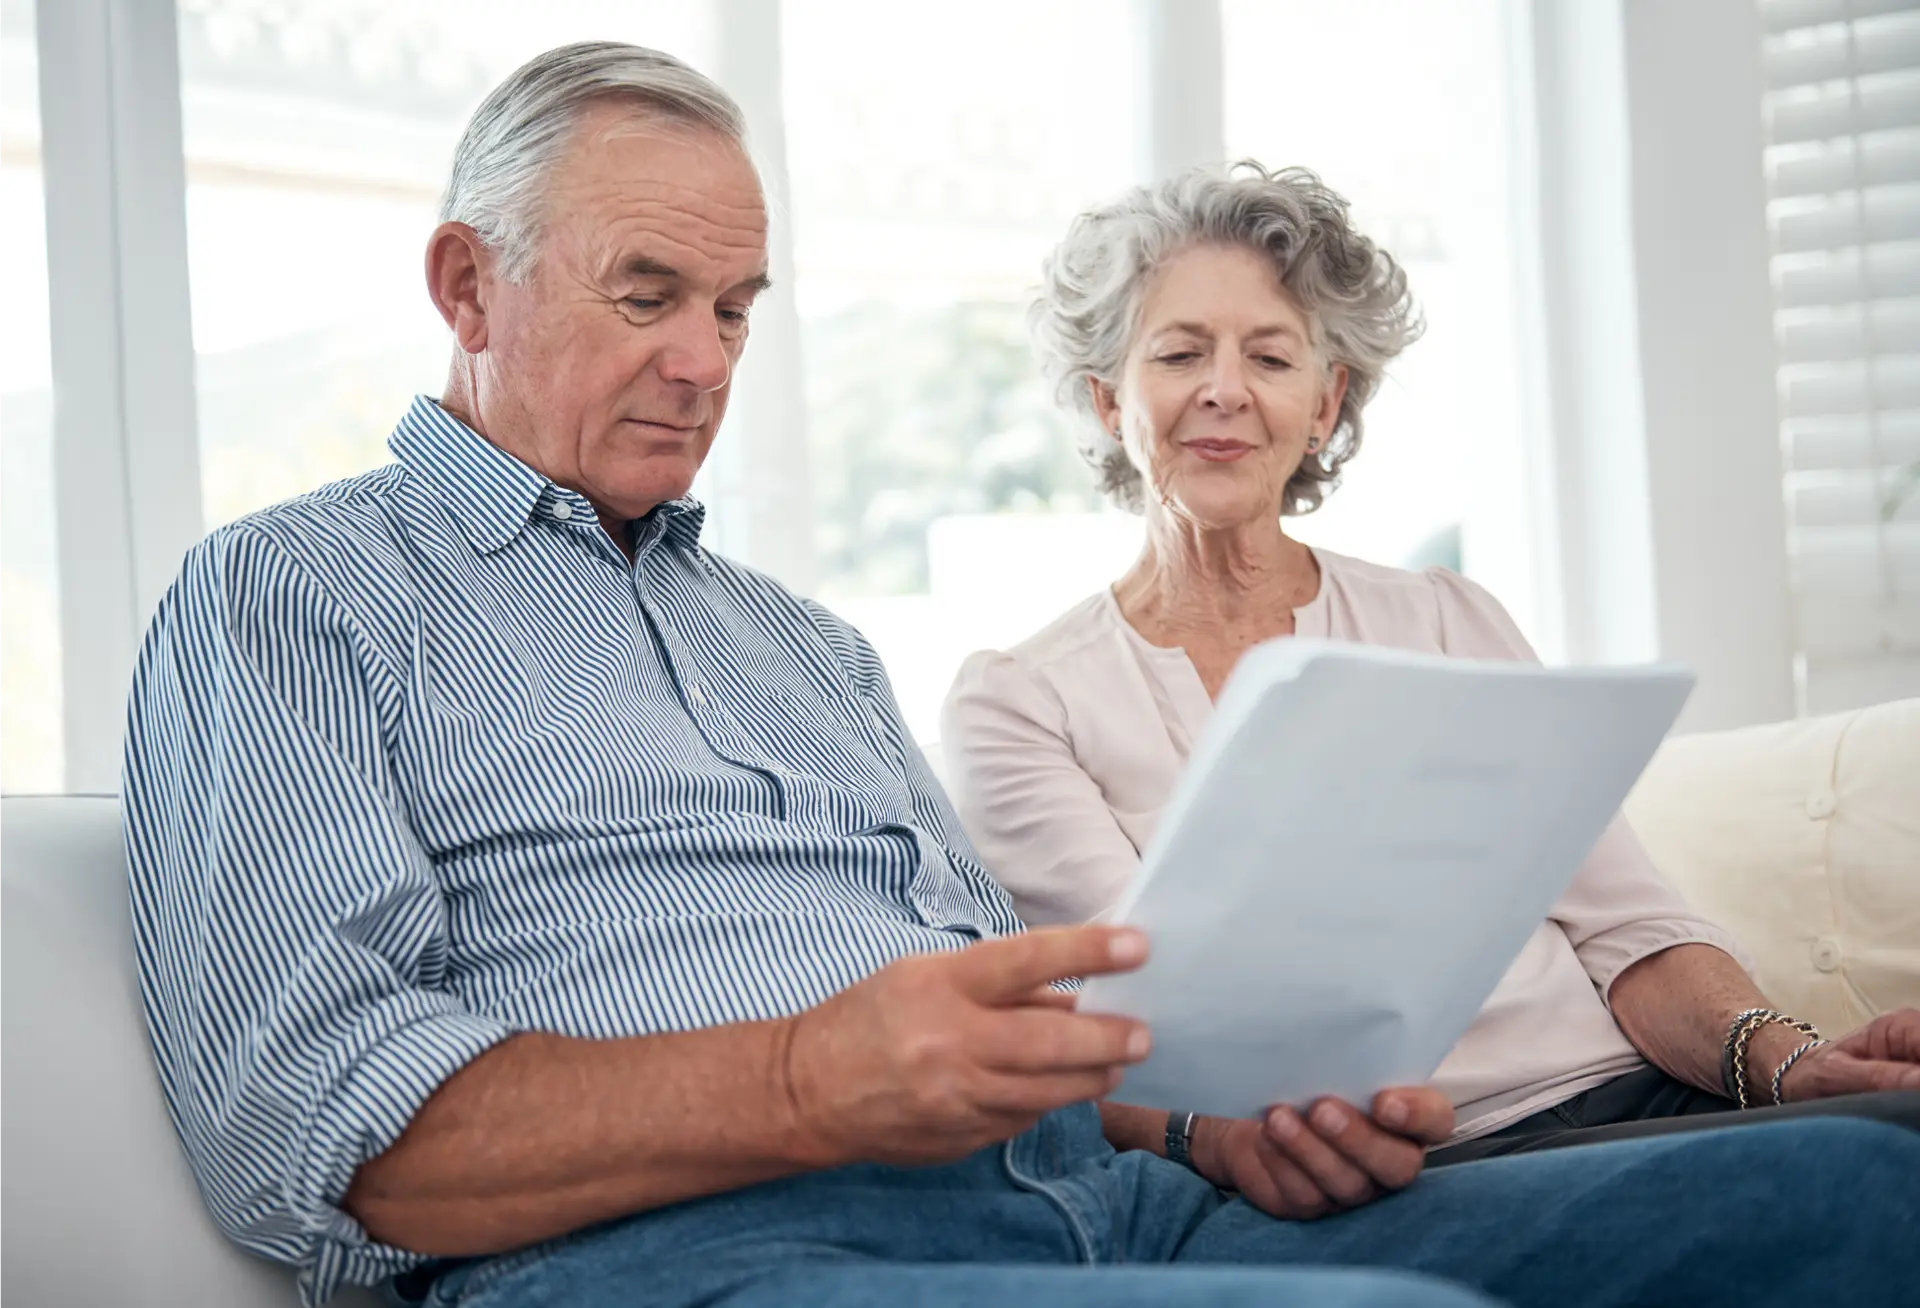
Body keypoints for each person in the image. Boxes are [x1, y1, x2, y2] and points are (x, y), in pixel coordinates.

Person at [121, 43, 1920, 1308]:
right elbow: (315, 1126)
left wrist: (1218, 1120)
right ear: (466, 282)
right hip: (713, 1255)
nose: (701, 359)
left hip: (1119, 1202)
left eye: (737, 309)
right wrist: (814, 1076)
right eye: (648, 290)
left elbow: (1022, 1031)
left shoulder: (802, 644)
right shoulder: (292, 597)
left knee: (1862, 1189)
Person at [939, 162, 1920, 1169]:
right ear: (1109, 402)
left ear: (1326, 405)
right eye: (1180, 353)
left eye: (1271, 360)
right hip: (1407, 1162)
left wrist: (1795, 1069)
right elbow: (1133, 1018)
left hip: (1640, 1096)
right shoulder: (1023, 700)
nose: (1224, 390)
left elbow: (1627, 926)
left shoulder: (1446, 617)